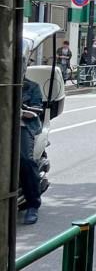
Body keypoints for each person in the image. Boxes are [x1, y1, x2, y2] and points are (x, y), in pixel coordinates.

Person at [20, 77, 44, 225]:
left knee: (25, 160)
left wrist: (24, 110)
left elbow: (37, 108)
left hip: (23, 125)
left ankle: (32, 204)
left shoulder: (32, 86)